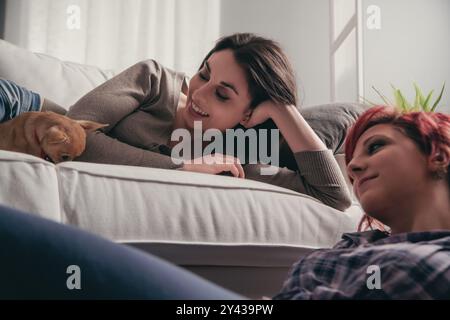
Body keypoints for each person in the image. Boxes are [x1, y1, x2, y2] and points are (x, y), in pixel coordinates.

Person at [2, 105, 450, 299]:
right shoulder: (360, 245)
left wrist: (279, 109)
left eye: (375, 147)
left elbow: (329, 192)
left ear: (438, 153)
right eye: (352, 157)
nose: (354, 168)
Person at [65, 33, 351, 211]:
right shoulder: (154, 80)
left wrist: (282, 108)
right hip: (26, 108)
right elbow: (70, 134)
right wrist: (184, 168)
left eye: (222, 94)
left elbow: (333, 196)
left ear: (248, 116)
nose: (198, 94)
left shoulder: (237, 162)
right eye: (204, 73)